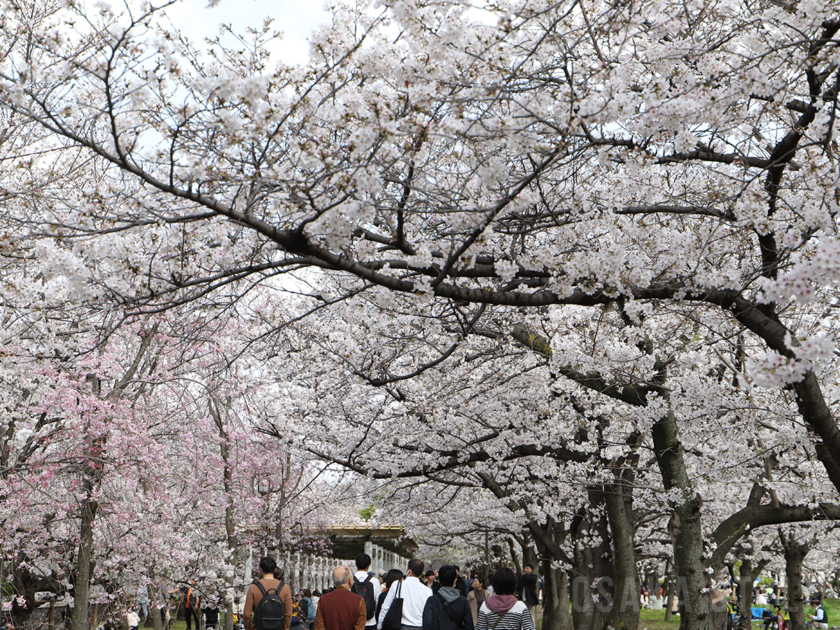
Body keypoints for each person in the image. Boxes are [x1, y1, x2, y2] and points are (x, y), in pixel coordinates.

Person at [378, 559, 432, 630]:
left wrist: (380, 625)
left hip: (401, 626)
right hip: (420, 626)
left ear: (409, 571)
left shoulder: (397, 584)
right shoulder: (428, 591)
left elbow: (386, 607)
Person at [244, 557, 293, 630]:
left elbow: (247, 614)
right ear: (274, 570)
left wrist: (248, 628)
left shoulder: (253, 588)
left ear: (261, 570)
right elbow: (288, 614)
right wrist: (285, 627)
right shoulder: (285, 587)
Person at [422, 565, 473, 630]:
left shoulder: (432, 600)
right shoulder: (463, 601)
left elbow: (427, 624)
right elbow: (468, 626)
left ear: (439, 580)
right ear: (455, 581)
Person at [352, 554, 382, 630]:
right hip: (370, 621)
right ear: (368, 566)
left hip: (354, 621)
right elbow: (379, 600)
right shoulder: (374, 581)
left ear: (356, 565)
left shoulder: (350, 580)